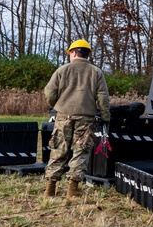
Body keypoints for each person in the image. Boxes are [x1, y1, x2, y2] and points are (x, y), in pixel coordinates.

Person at [43, 39, 111, 198]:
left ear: (73, 52)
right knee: (81, 151)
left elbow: (49, 93)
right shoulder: (96, 72)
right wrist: (105, 116)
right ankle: (72, 189)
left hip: (63, 116)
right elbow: (103, 98)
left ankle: (50, 188)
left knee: (58, 150)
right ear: (87, 54)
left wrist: (58, 105)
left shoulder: (62, 70)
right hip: (86, 118)